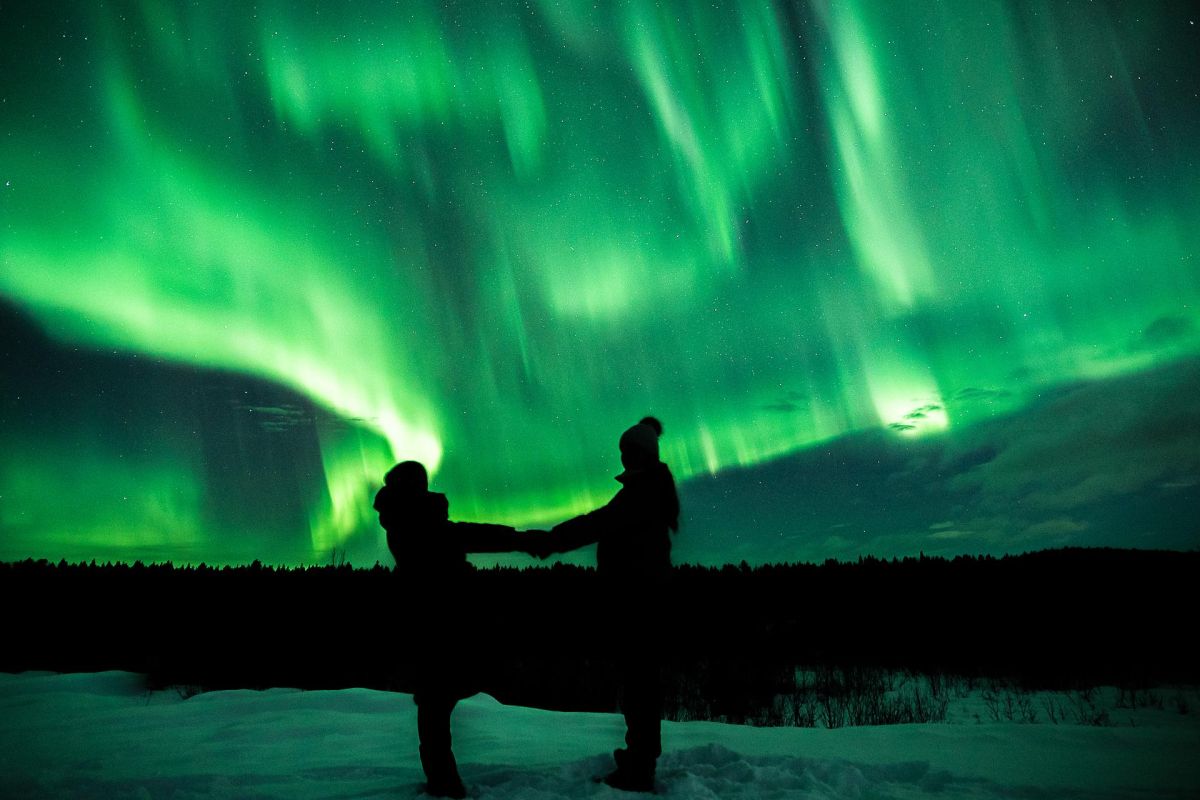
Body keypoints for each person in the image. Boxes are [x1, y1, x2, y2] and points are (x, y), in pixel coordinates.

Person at [374, 460, 543, 799]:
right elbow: (473, 535)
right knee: (436, 704)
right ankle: (444, 784)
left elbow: (469, 535)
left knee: (434, 706)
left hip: (440, 627)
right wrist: (526, 540)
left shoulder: (406, 523)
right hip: (446, 626)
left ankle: (443, 783)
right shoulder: (420, 526)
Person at [532, 416, 680, 792]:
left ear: (640, 454)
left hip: (638, 606)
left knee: (639, 686)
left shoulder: (642, 493)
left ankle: (639, 765)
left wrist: (551, 540)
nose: (622, 458)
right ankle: (639, 759)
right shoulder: (649, 490)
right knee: (640, 685)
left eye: (627, 452)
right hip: (639, 603)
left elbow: (599, 523)